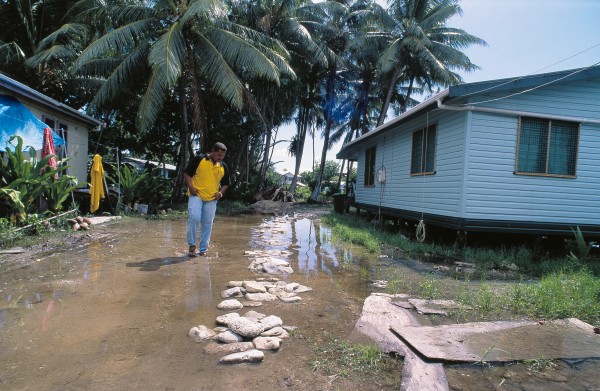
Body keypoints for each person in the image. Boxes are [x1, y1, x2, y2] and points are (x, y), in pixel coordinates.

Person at [184, 142, 230, 257]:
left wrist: (220, 193)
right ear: (212, 151)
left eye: (222, 156)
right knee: (194, 217)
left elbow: (226, 184)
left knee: (207, 223)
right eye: (218, 155)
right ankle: (192, 246)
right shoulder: (199, 159)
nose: (220, 158)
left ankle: (203, 249)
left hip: (211, 198)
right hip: (196, 195)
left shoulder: (223, 166)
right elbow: (187, 174)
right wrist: (191, 187)